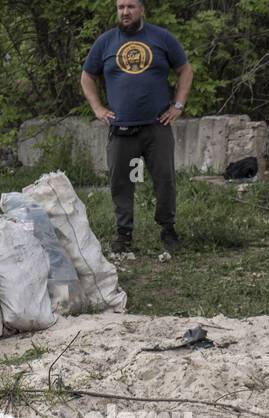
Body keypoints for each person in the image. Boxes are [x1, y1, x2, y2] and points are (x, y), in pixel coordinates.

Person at [81, 0, 193, 256]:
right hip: (121, 128)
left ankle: (168, 228)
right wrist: (97, 108)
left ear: (142, 9)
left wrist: (178, 105)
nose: (125, 12)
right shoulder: (106, 42)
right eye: (120, 7)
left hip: (157, 126)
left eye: (130, 6)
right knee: (121, 182)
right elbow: (87, 75)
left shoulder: (161, 37)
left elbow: (185, 70)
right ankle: (124, 233)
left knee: (165, 179)